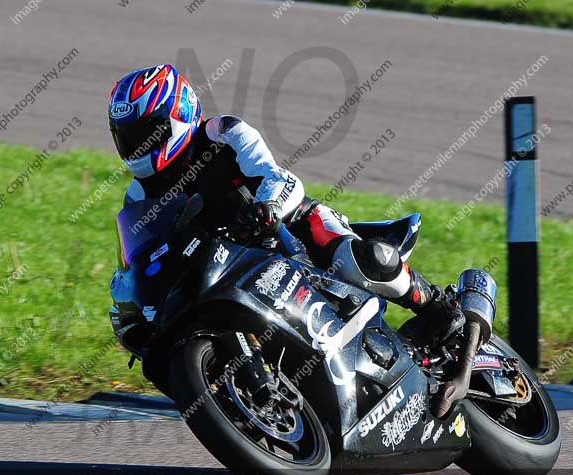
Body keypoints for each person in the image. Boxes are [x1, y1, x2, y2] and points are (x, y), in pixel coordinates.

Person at [109, 64, 463, 347]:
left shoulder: (224, 133)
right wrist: (128, 304)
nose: (137, 146)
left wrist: (267, 207)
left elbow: (277, 177)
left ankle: (437, 307)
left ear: (179, 114)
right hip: (223, 266)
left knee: (360, 260)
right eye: (128, 137)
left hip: (289, 230)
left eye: (146, 133)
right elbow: (137, 259)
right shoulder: (139, 195)